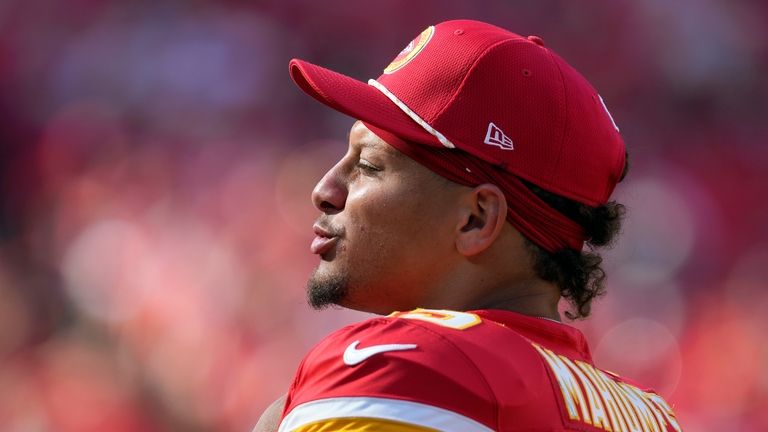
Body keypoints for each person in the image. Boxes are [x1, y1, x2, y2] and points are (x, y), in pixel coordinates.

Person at [256, 19, 682, 432]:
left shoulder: (398, 369)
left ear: (476, 218)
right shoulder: (650, 416)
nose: (324, 189)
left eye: (368, 165)